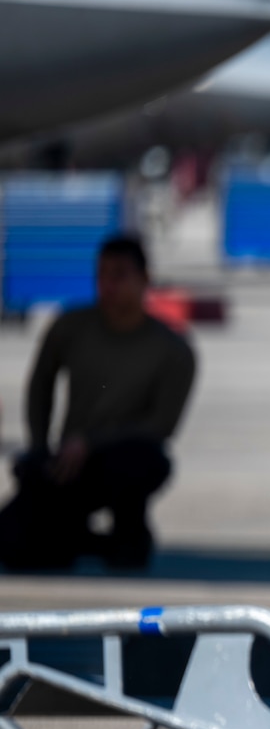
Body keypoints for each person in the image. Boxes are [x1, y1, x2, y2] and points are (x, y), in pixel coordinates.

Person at [0, 234, 196, 571]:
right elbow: (41, 383)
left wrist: (90, 443)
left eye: (119, 275)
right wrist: (39, 445)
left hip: (124, 456)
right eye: (102, 274)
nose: (108, 285)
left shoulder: (172, 349)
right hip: (67, 461)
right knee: (15, 543)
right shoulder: (71, 327)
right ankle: (82, 539)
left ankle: (129, 535)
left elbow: (162, 425)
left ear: (144, 279)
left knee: (137, 464)